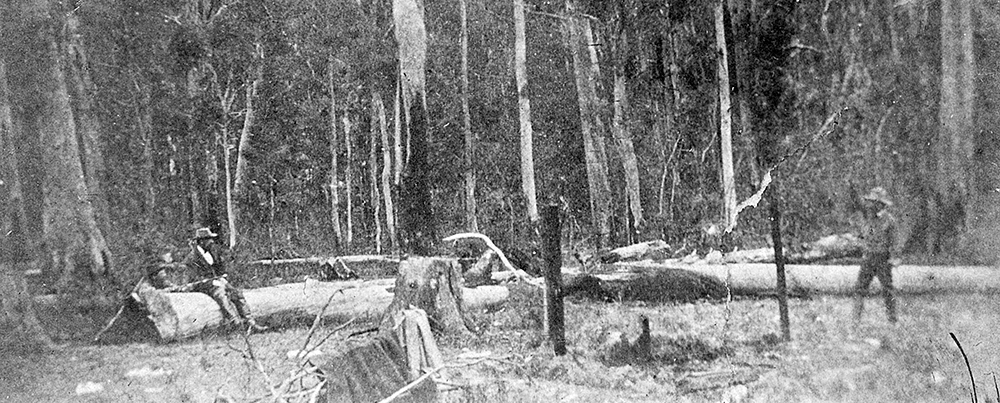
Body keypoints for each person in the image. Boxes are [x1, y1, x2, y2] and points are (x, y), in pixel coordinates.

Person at [181, 227, 267, 332]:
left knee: (236, 292)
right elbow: (194, 279)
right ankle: (236, 322)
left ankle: (250, 322)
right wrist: (212, 281)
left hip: (216, 282)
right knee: (221, 293)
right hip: (202, 286)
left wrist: (222, 278)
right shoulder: (191, 259)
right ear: (201, 241)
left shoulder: (212, 252)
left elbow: (219, 270)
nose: (211, 241)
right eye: (208, 239)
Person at [854, 187, 898, 323]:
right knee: (860, 289)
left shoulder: (889, 221)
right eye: (869, 202)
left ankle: (892, 320)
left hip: (882, 259)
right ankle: (855, 321)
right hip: (868, 258)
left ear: (880, 204)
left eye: (873, 202)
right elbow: (862, 236)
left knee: (887, 290)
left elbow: (894, 241)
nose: (870, 205)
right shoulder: (867, 218)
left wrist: (893, 257)